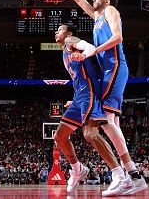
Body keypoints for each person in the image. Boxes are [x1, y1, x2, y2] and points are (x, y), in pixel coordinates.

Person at [66, 0, 147, 195]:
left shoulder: (111, 12)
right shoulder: (96, 17)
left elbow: (118, 37)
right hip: (107, 70)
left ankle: (128, 175)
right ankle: (133, 176)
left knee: (107, 122)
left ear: (107, 0)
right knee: (112, 125)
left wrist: (92, 52)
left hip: (114, 67)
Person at [53, 23, 128, 195]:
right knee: (60, 136)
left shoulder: (71, 40)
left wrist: (85, 52)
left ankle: (118, 174)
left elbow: (89, 47)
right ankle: (78, 168)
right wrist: (75, 100)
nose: (57, 31)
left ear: (69, 33)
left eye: (60, 28)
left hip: (89, 92)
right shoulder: (64, 50)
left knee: (90, 134)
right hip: (79, 95)